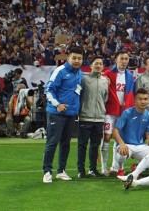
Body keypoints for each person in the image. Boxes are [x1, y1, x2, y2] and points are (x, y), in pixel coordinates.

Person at [42, 46, 84, 183]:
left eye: (80, 58)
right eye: (74, 58)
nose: (77, 61)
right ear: (68, 58)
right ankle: (47, 171)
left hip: (71, 114)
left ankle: (61, 171)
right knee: (52, 142)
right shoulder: (59, 71)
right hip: (56, 113)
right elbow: (48, 89)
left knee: (65, 143)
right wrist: (57, 104)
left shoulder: (80, 73)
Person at [101, 50, 135, 176]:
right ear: (116, 59)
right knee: (107, 137)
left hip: (123, 112)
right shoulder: (108, 74)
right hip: (110, 111)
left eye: (126, 59)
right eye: (122, 58)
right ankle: (103, 168)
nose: (124, 61)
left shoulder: (130, 76)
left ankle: (116, 167)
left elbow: (130, 94)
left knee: (119, 139)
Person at [111, 88, 149, 176]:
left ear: (148, 100)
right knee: (121, 155)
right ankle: (120, 169)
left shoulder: (148, 115)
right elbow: (115, 130)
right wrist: (121, 143)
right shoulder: (127, 113)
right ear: (135, 100)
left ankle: (136, 167)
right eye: (140, 99)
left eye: (145, 99)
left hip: (140, 146)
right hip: (126, 145)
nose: (143, 102)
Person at [77, 56, 109, 178]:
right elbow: (79, 95)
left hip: (99, 118)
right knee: (82, 145)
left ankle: (92, 169)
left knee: (95, 145)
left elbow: (105, 98)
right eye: (96, 63)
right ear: (91, 65)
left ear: (103, 66)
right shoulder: (84, 79)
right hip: (86, 117)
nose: (98, 66)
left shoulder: (105, 81)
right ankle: (81, 170)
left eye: (100, 64)